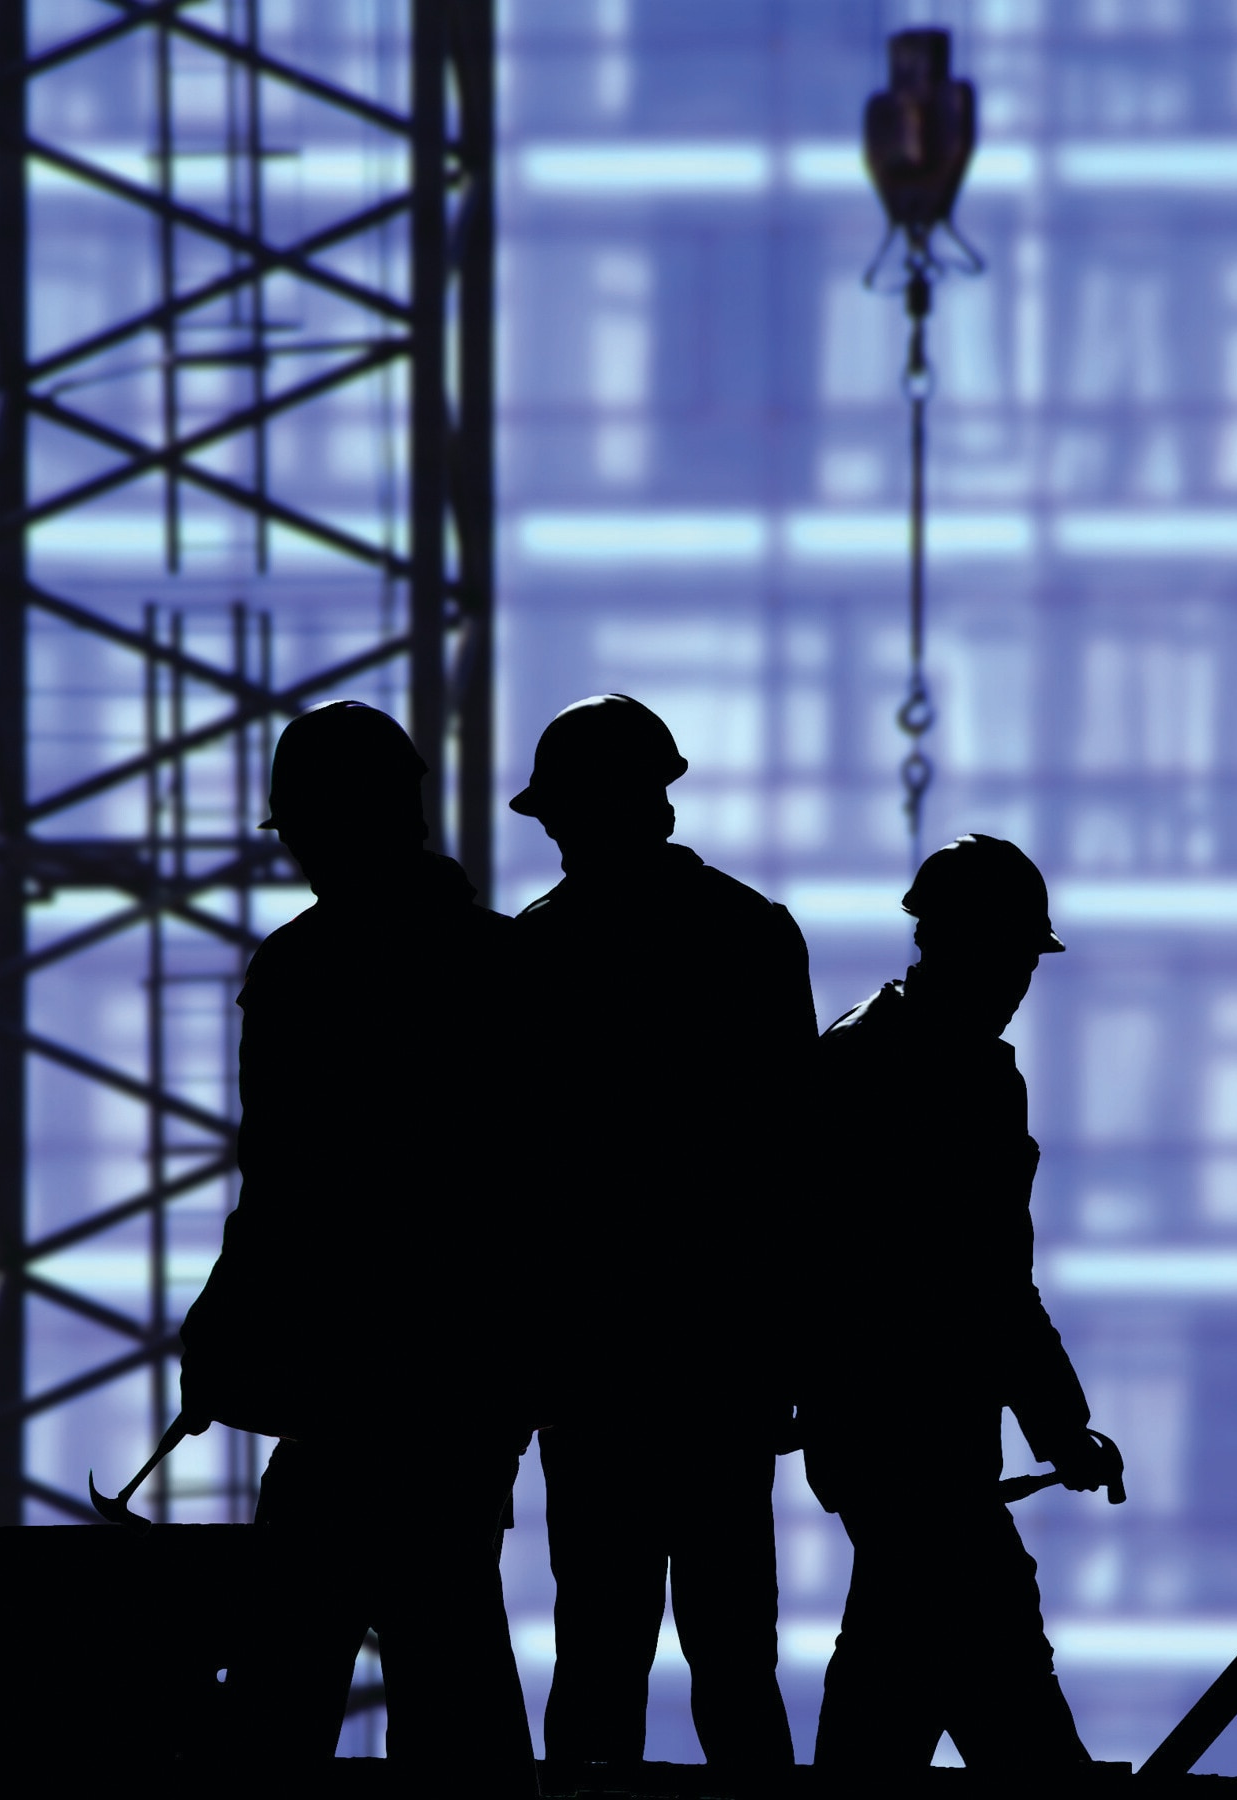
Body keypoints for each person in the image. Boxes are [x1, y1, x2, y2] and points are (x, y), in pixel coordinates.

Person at [176, 701, 535, 1793]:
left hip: (345, 1370)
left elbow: (286, 1182)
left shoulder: (305, 968)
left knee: (293, 1653)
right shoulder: (502, 962)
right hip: (469, 1367)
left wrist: (224, 1329)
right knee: (449, 1634)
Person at [507, 694, 810, 1772]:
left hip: (597, 1364)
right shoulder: (749, 934)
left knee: (602, 1650)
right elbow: (792, 1166)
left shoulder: (538, 951)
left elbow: (514, 1178)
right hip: (713, 1358)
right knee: (728, 1655)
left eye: (563, 813)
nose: (557, 832)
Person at [799, 832, 1118, 1774]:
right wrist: (1060, 1426)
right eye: (1010, 955)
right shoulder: (907, 1067)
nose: (1020, 979)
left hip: (898, 1433)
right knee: (988, 1654)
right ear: (950, 943)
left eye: (1027, 960)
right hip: (904, 1430)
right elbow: (980, 1279)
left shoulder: (916, 1059)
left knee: (900, 1668)